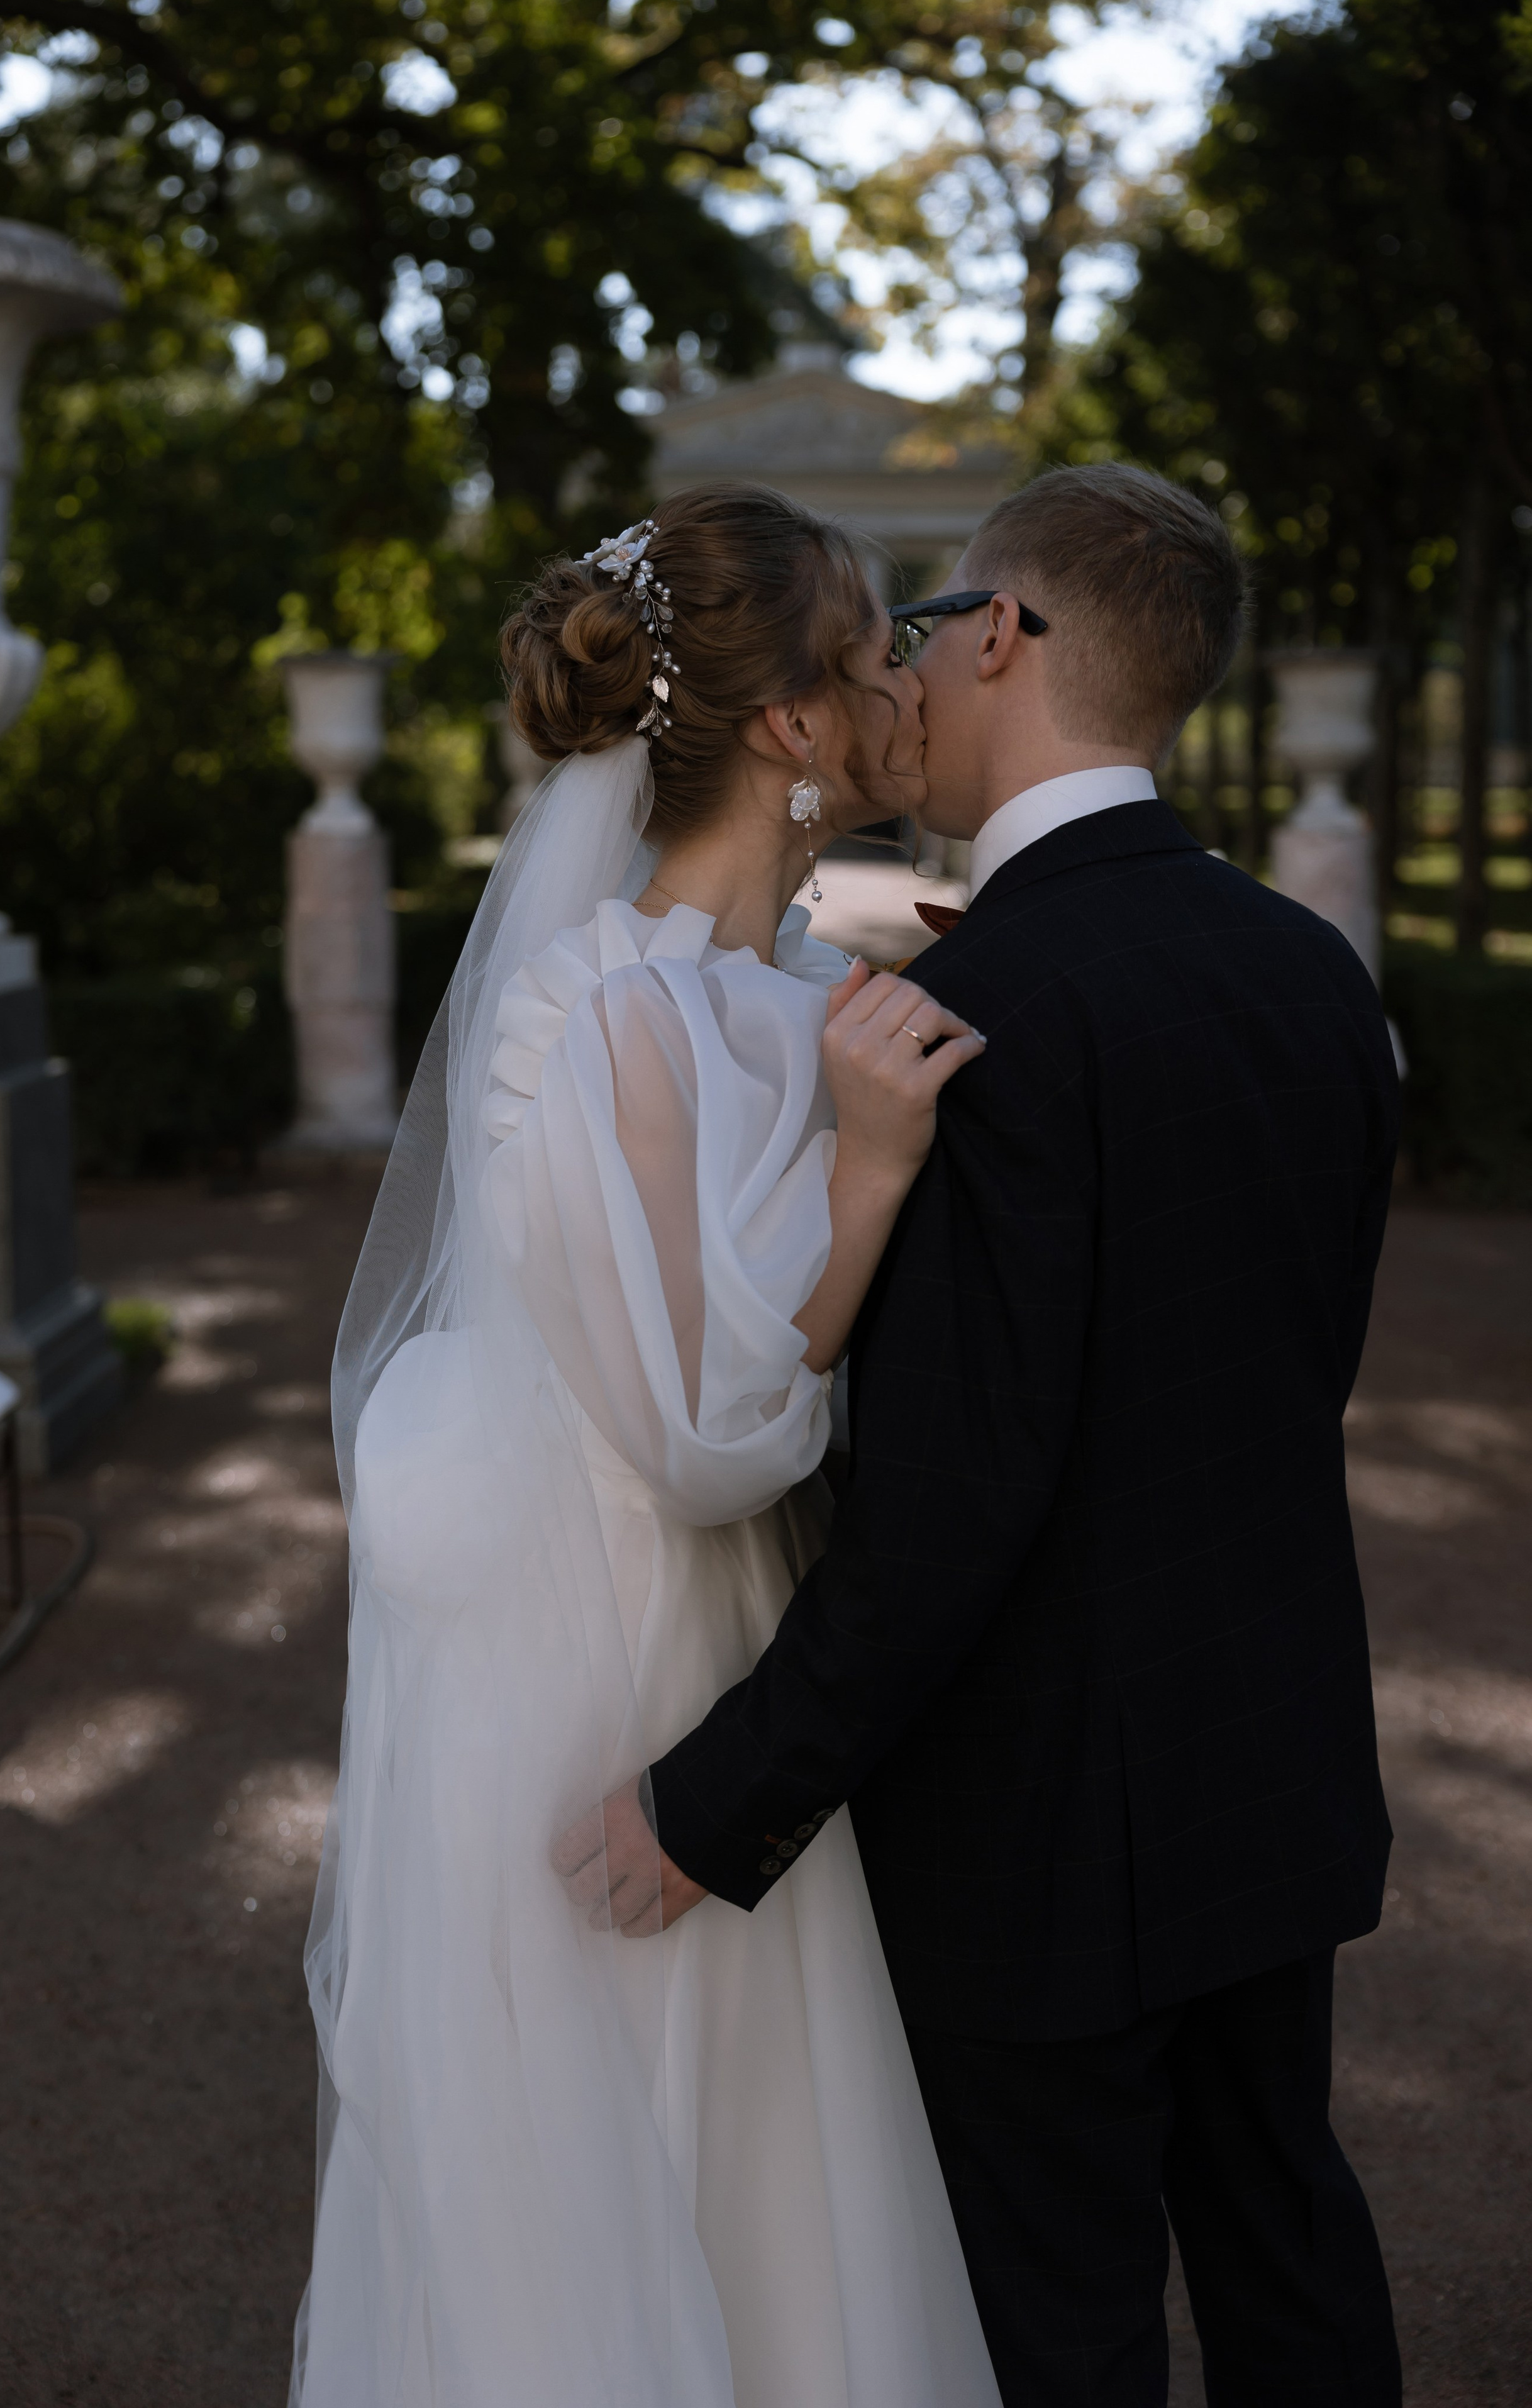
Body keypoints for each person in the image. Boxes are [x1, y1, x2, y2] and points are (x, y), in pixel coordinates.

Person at [586, 464, 1406, 2406]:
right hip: (1270, 1760)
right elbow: (1267, 1366)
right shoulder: (1312, 977)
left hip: (1042, 1831)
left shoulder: (972, 1019)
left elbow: (950, 1505)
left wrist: (715, 1807)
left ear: (1009, 637)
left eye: (936, 631)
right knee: (1293, 2251)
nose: (918, 675)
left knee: (1063, 2323)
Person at [290, 483, 1000, 2407]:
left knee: (766, 2182)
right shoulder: (612, 1023)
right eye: (869, 666)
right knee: (638, 2176)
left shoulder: (774, 988)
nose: (899, 695)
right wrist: (868, 1179)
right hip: (626, 1654)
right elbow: (705, 1442)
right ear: (786, 730)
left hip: (722, 1646)